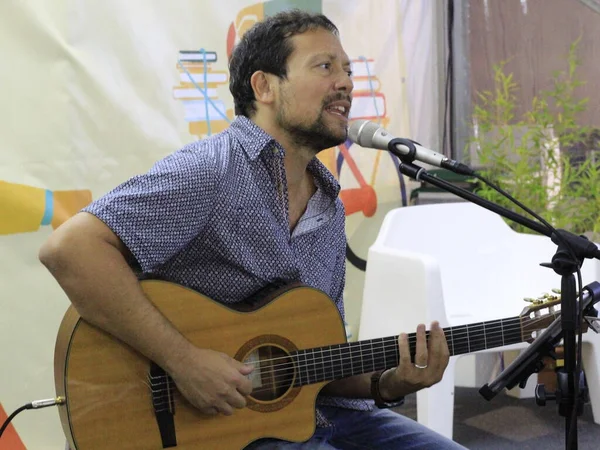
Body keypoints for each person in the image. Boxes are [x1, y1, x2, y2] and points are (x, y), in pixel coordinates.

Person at [40, 9, 465, 450]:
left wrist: (391, 382)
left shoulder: (328, 206)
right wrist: (184, 362)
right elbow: (70, 249)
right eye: (325, 67)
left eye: (347, 70)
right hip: (218, 429)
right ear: (263, 87)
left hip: (325, 416)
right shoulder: (213, 170)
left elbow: (315, 364)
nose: (345, 83)